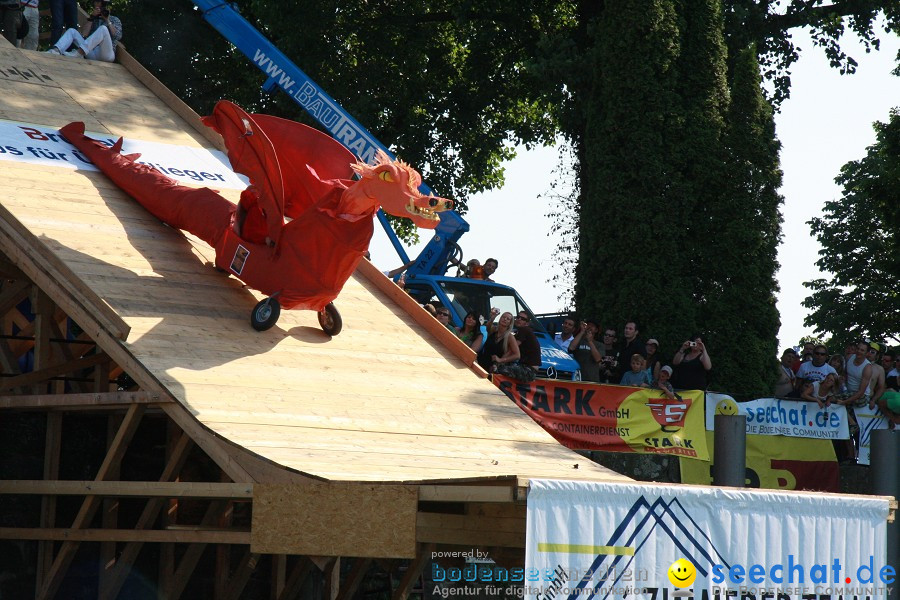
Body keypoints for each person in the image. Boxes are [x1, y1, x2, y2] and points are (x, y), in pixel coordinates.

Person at [46, 0, 122, 62]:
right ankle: (56, 51)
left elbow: (117, 36)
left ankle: (78, 53)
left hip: (106, 55)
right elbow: (84, 34)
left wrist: (107, 20)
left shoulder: (114, 19)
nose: (99, 5)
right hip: (91, 53)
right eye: (97, 1)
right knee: (72, 31)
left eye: (102, 4)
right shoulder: (93, 19)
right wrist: (91, 18)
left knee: (103, 29)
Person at [840, 340, 873, 408]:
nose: (859, 351)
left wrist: (844, 402)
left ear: (866, 353)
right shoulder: (849, 358)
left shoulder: (867, 368)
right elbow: (845, 374)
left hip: (862, 396)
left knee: (834, 398)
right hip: (848, 391)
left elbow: (861, 392)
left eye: (862, 350)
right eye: (858, 349)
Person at [568, 319, 603, 383]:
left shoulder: (599, 345)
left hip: (592, 379)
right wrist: (582, 332)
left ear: (596, 330)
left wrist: (590, 341)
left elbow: (598, 359)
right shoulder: (579, 340)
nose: (589, 327)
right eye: (588, 325)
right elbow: (571, 348)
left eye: (592, 326)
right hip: (577, 378)